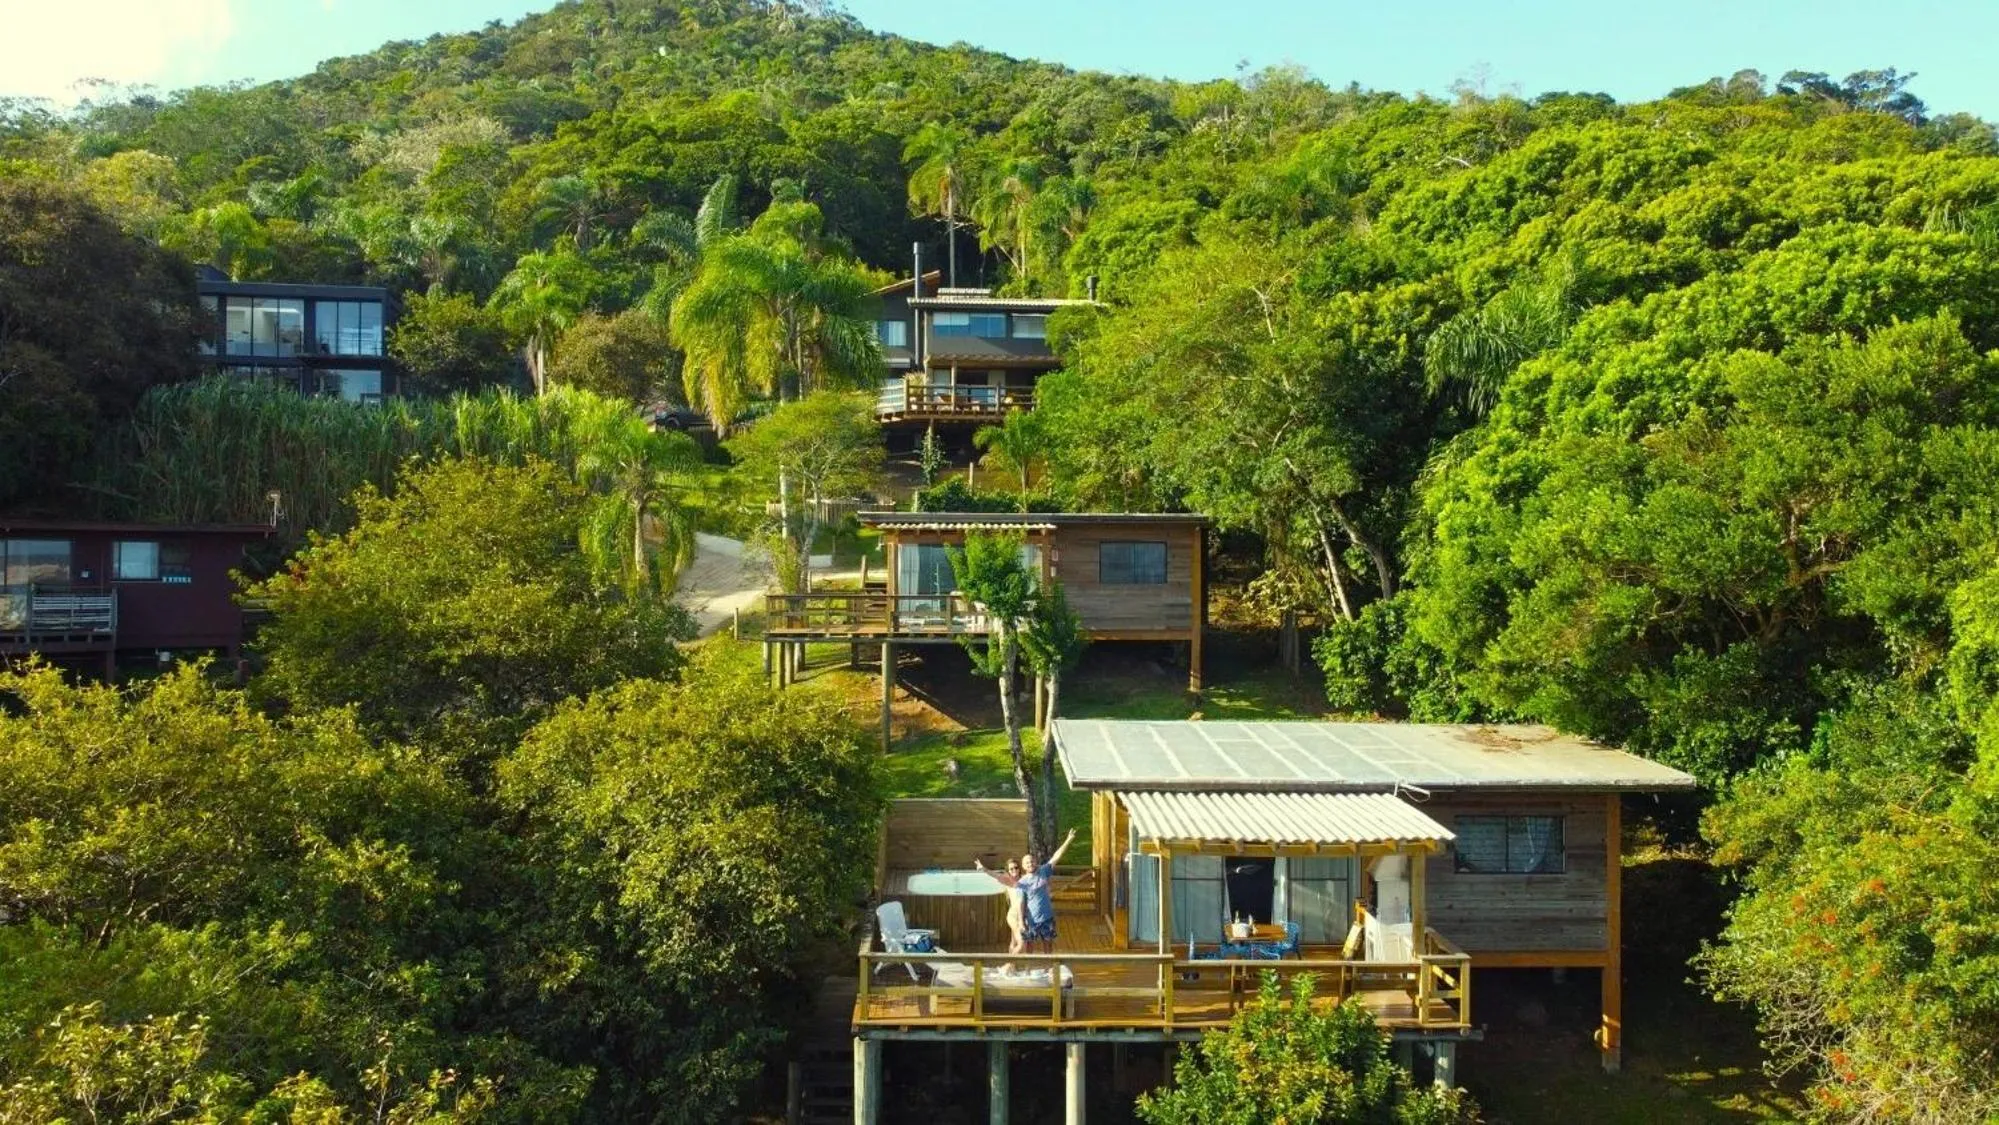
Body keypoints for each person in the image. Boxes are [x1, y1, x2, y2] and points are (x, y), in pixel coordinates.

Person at [1014, 827, 1078, 954]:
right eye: (1027, 863)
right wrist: (1021, 922)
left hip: (1047, 918)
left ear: (1036, 862)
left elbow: (1056, 857)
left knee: (1048, 946)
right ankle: (1029, 969)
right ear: (1023, 866)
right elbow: (1020, 904)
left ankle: (1050, 970)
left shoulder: (1043, 871)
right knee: (1029, 947)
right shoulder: (1021, 883)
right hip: (1031, 920)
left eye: (1031, 861)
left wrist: (1068, 840)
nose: (1030, 864)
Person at [974, 856, 1027, 955]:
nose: (1014, 870)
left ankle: (1011, 967)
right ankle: (1007, 966)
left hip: (1023, 916)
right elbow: (995, 875)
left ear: (1019, 868)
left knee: (1013, 941)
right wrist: (984, 869)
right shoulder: (1008, 881)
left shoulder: (1024, 880)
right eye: (1011, 869)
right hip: (1013, 916)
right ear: (1008, 871)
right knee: (1022, 942)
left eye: (1016, 867)